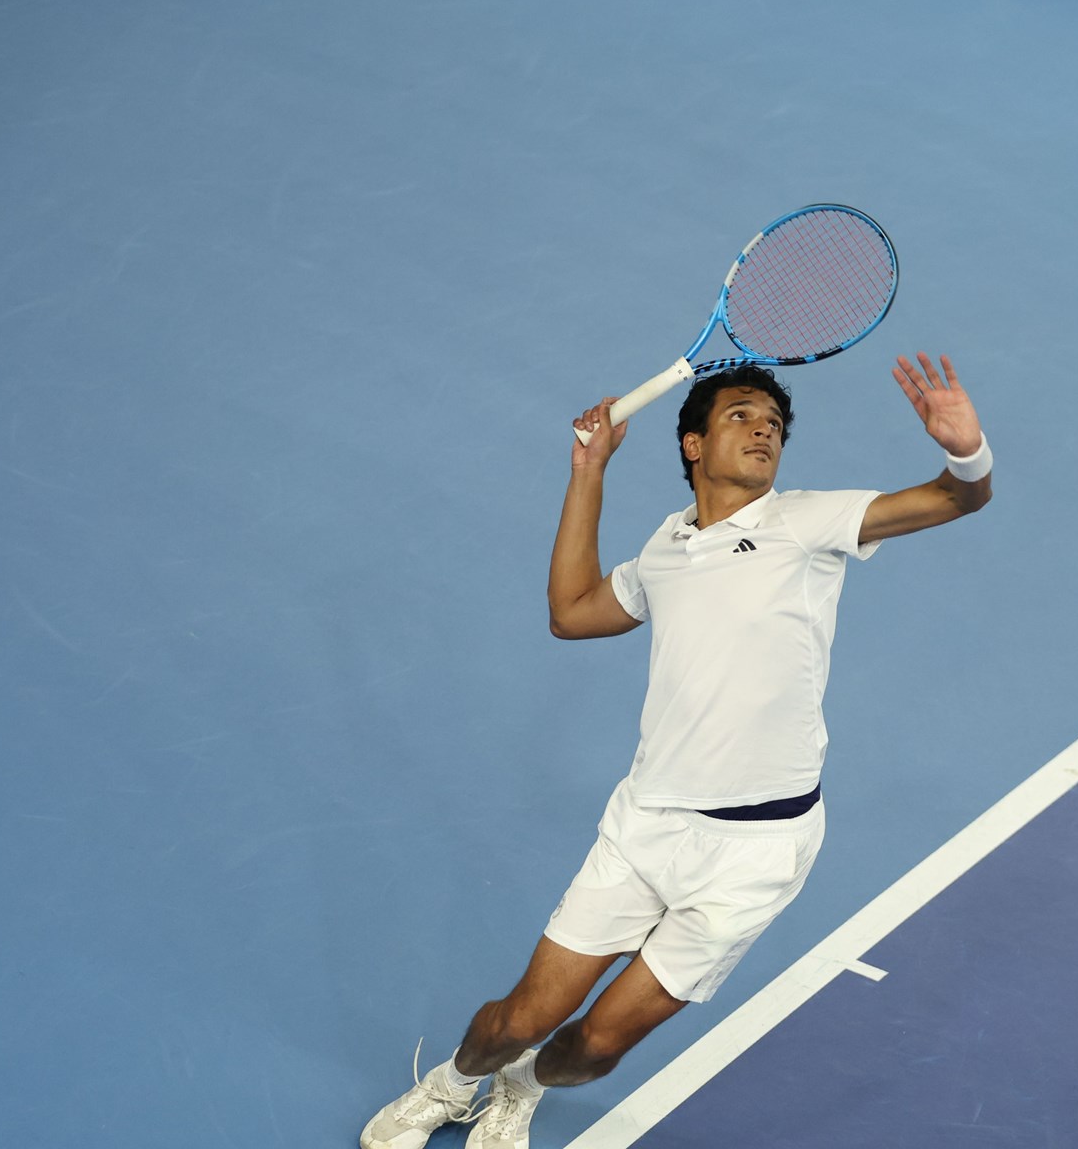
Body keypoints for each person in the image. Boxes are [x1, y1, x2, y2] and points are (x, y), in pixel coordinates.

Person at [361, 353, 992, 1149]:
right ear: (693, 445)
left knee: (593, 1048)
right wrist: (588, 470)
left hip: (759, 853)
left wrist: (965, 452)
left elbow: (956, 498)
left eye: (774, 424)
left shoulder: (807, 523)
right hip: (647, 827)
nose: (765, 429)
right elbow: (574, 611)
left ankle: (520, 1088)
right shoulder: (665, 548)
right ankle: (452, 1084)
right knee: (525, 1015)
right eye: (741, 416)